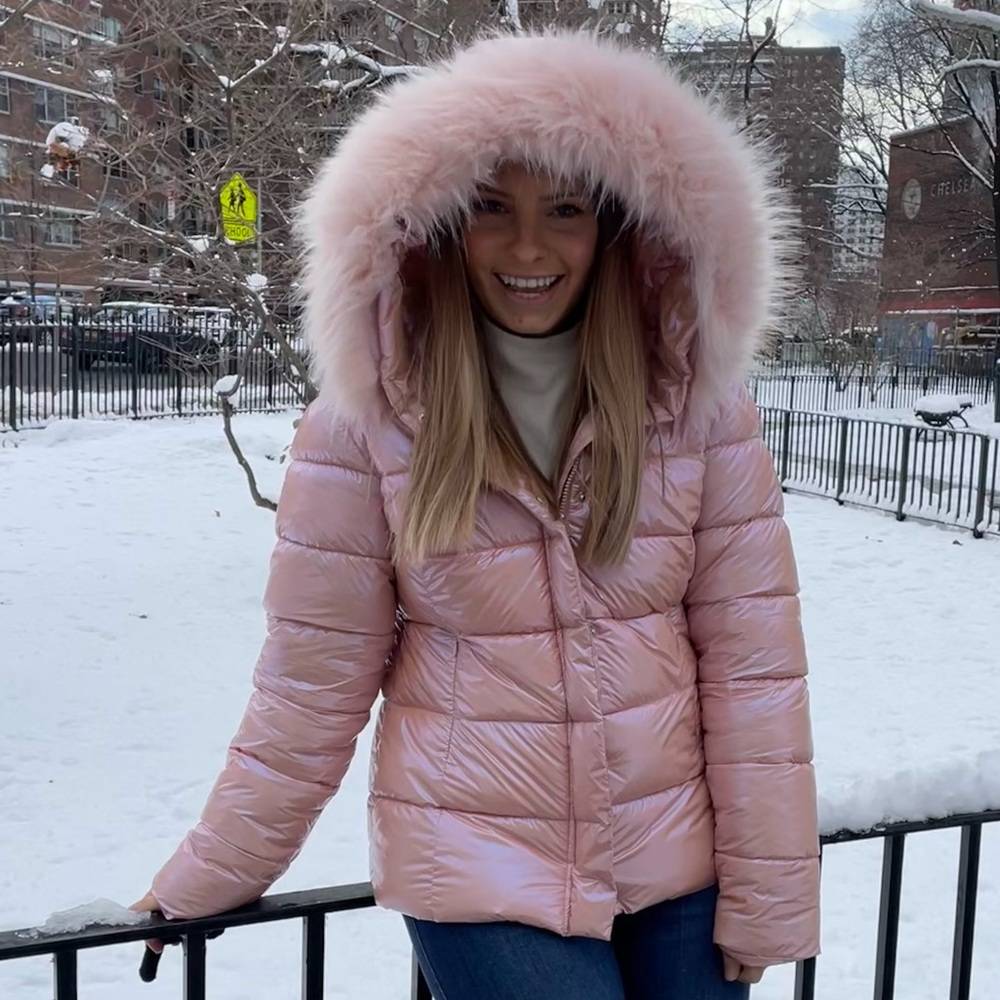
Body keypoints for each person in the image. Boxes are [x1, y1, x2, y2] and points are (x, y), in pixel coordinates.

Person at [133, 31, 820, 999]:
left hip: (674, 857)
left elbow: (754, 664)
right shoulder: (371, 409)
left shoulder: (693, 400)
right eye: (492, 206)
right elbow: (310, 680)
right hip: (476, 857)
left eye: (564, 209)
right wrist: (211, 871)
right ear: (444, 221)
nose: (528, 245)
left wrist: (767, 888)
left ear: (616, 223)